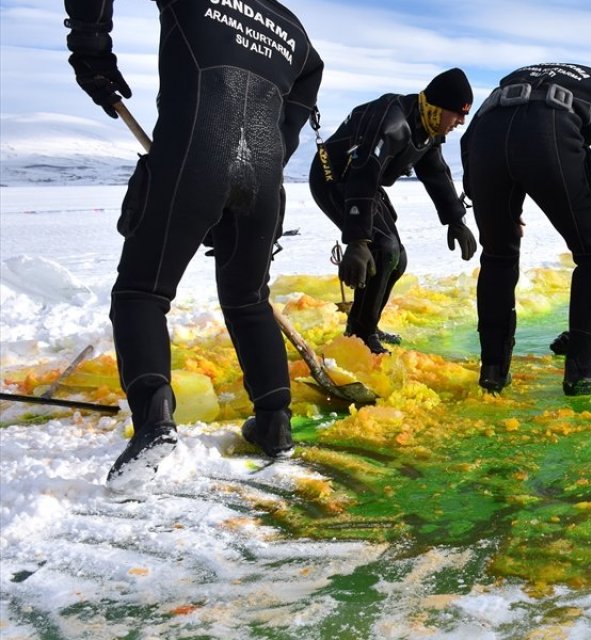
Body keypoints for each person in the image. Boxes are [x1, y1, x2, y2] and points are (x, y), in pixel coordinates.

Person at [63, 0, 324, 488]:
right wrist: (272, 150)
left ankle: (154, 424)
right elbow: (310, 76)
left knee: (142, 292)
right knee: (249, 300)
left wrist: (91, 48)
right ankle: (274, 423)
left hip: (194, 153)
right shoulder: (292, 28)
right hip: (265, 177)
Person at [461, 63, 591, 396]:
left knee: (497, 254)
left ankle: (493, 371)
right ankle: (581, 371)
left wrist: (492, 201)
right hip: (548, 129)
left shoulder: (533, 76)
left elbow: (471, 138)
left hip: (486, 141)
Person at [310, 68, 478, 354]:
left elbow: (436, 173)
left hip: (366, 186)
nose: (461, 122)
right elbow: (363, 172)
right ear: (437, 107)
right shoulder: (391, 121)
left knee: (397, 260)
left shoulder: (427, 126)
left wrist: (456, 220)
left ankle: (362, 326)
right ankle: (361, 336)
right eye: (458, 114)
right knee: (384, 250)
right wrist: (357, 241)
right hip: (335, 180)